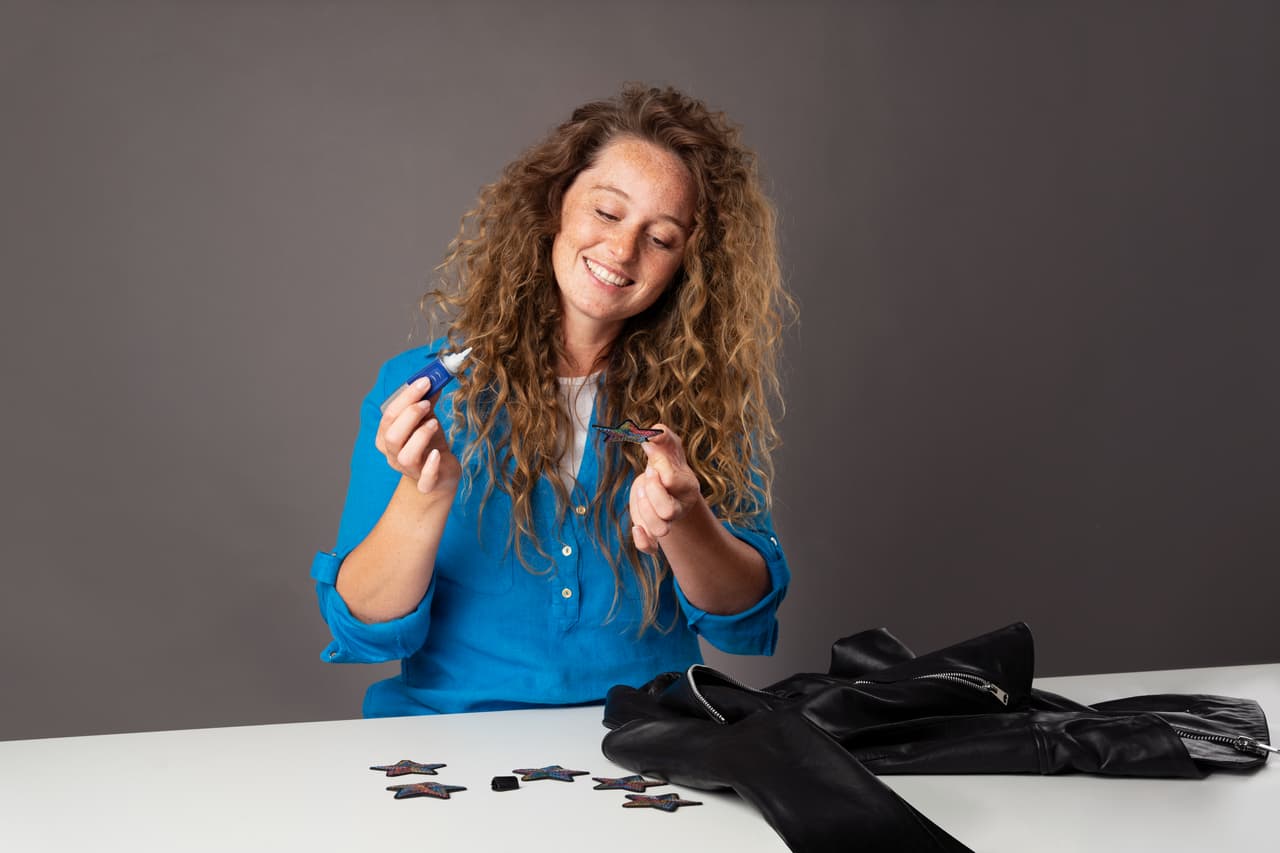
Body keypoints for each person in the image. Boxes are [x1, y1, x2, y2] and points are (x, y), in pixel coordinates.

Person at [311, 84, 794, 717]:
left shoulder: (705, 400)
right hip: (446, 750)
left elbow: (743, 619)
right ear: (554, 206)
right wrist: (422, 497)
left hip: (647, 743)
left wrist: (688, 522)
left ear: (688, 266)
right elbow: (364, 629)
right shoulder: (420, 389)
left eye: (662, 238)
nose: (622, 251)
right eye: (607, 212)